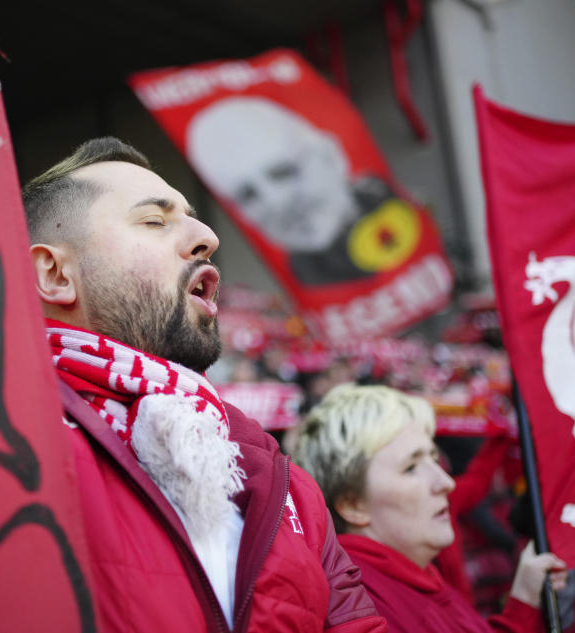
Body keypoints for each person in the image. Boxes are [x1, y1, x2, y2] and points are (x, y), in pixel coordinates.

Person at [22, 137, 388, 633]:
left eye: (194, 217)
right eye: (155, 220)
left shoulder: (283, 483)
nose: (208, 236)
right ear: (54, 273)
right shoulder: (8, 454)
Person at [294, 383, 567, 633]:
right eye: (410, 468)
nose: (445, 482)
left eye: (434, 458)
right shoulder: (362, 606)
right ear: (353, 505)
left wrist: (525, 598)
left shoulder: (412, 576)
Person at [186, 96, 418, 287]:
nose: (276, 201)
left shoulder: (408, 222)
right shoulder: (303, 278)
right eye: (248, 195)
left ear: (330, 156)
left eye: (283, 171)